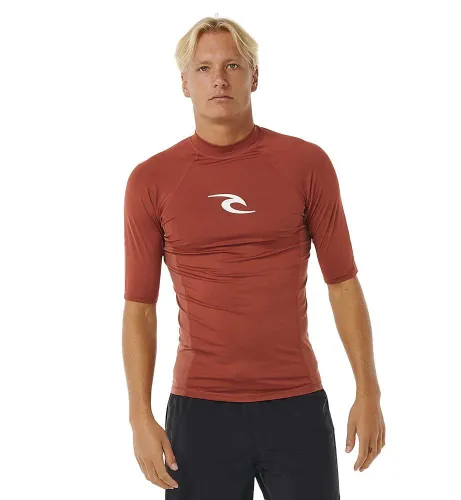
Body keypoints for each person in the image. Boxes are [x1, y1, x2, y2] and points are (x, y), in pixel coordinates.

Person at [122, 15, 385, 500]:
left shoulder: (306, 164)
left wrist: (368, 391)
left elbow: (343, 283)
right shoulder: (151, 180)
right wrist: (140, 416)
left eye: (232, 65)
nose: (219, 79)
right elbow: (140, 307)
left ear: (255, 76)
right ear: (184, 83)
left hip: (296, 404)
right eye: (203, 68)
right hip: (200, 411)